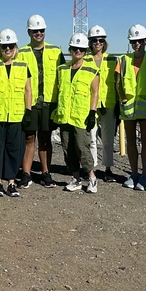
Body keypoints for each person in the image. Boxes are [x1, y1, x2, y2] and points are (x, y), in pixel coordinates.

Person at [0, 29, 32, 197]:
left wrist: (28, 111)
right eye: (4, 46)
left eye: (10, 46)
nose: (8, 49)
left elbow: (28, 90)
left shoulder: (23, 66)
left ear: (15, 47)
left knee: (14, 149)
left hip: (17, 115)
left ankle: (11, 182)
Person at [18, 14, 64, 188]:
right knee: (29, 138)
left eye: (41, 30)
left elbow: (62, 77)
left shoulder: (55, 51)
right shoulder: (21, 53)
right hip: (29, 103)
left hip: (48, 103)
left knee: (45, 139)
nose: (38, 33)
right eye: (35, 30)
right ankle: (26, 174)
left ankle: (46, 173)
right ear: (29, 32)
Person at [52, 33, 100, 193]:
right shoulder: (62, 70)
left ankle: (92, 177)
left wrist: (92, 113)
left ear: (85, 51)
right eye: (74, 48)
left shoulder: (91, 71)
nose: (77, 51)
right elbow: (58, 92)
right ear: (70, 49)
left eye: (80, 49)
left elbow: (95, 93)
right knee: (67, 148)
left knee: (82, 147)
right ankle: (76, 178)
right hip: (65, 116)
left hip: (81, 117)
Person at [117, 24, 146, 190]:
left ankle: (144, 177)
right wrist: (123, 98)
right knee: (131, 142)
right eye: (134, 41)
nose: (137, 44)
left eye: (140, 41)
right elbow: (117, 82)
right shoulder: (123, 60)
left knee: (145, 142)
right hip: (129, 108)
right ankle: (134, 174)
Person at [85, 24, 119, 182]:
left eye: (101, 40)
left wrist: (119, 103)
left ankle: (108, 169)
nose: (98, 43)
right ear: (90, 42)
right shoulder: (84, 60)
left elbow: (118, 82)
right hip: (89, 104)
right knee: (91, 138)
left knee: (107, 139)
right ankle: (91, 169)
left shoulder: (113, 60)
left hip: (108, 103)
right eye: (95, 40)